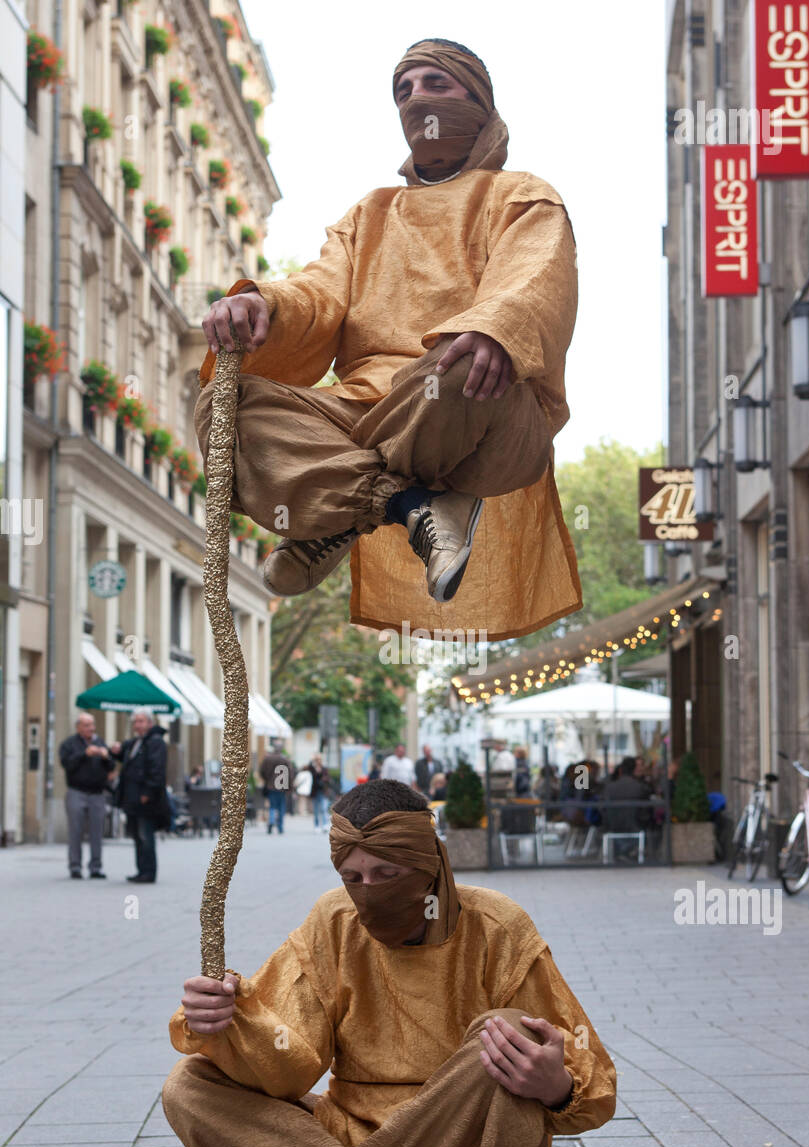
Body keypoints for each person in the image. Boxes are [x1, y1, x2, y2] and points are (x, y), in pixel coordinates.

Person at [194, 37, 581, 643]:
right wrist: (260, 302)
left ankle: (330, 518)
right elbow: (317, 294)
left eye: (434, 85)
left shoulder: (523, 195)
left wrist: (494, 332)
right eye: (403, 90)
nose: (415, 100)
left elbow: (535, 281)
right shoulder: (368, 215)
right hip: (363, 411)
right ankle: (402, 503)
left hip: (479, 406)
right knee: (225, 402)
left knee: (457, 358)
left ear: (476, 99)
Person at [162, 779, 616, 1147]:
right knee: (188, 1084)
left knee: (507, 1032)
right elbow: (290, 1066)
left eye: (386, 872)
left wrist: (557, 1087)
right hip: (351, 1138)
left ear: (429, 866)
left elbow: (593, 1084)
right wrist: (227, 1019)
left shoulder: (498, 926)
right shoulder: (334, 921)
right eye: (354, 878)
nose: (369, 892)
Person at [110, 707, 169, 883]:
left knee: (145, 835)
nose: (137, 725)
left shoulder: (155, 742)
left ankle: (149, 872)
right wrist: (117, 751)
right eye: (135, 721)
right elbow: (127, 758)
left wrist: (148, 792)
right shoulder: (137, 742)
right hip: (132, 797)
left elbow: (156, 770)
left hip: (145, 798)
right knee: (137, 835)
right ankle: (141, 870)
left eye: (141, 721)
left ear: (150, 723)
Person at [59, 713, 115, 879]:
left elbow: (111, 766)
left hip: (97, 793)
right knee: (75, 831)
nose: (91, 728)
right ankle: (75, 866)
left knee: (97, 832)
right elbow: (66, 764)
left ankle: (95, 867)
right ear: (78, 727)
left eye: (92, 724)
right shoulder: (69, 744)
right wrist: (85, 754)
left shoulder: (100, 742)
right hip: (76, 792)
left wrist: (106, 756)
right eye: (87, 725)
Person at [600, 755, 652, 837]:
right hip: (636, 826)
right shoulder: (640, 787)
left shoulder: (609, 788)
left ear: (621, 770)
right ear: (634, 769)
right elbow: (646, 810)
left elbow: (602, 808)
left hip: (613, 827)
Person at [259, 741, 294, 835]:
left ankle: (271, 821)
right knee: (281, 806)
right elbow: (290, 774)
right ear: (281, 748)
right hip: (282, 787)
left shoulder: (268, 758)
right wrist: (290, 786)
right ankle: (280, 826)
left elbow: (261, 771)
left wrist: (267, 780)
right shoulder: (285, 759)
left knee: (272, 806)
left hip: (271, 786)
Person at [306, 755, 332, 832]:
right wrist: (312, 760)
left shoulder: (324, 769)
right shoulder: (312, 768)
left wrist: (324, 779)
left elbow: (328, 778)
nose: (318, 761)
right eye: (317, 760)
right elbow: (308, 766)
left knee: (324, 808)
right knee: (316, 810)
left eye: (319, 759)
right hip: (315, 792)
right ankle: (317, 825)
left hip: (323, 791)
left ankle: (324, 825)